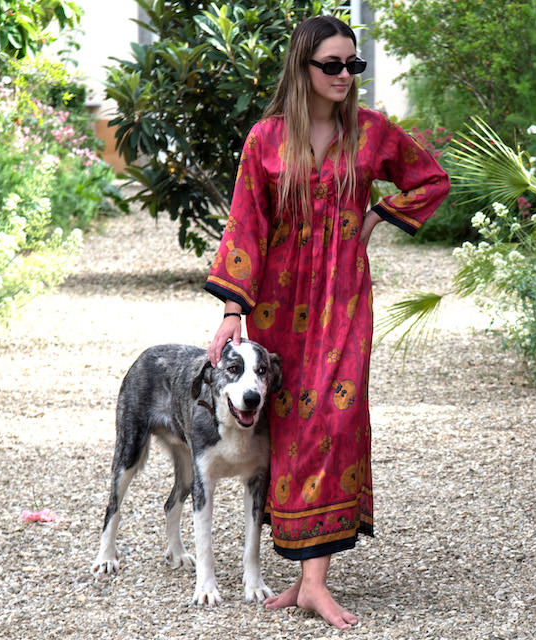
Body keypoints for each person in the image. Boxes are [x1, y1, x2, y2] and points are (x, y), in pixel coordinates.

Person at [205, 15, 449, 630]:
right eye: (332, 65)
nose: (345, 76)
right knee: (285, 427)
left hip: (343, 298)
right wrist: (233, 310)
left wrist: (377, 216)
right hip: (276, 302)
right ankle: (301, 573)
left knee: (333, 421)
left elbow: (430, 178)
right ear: (304, 69)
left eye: (353, 65)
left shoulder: (369, 134)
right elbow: (246, 226)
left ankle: (315, 581)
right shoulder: (266, 139)